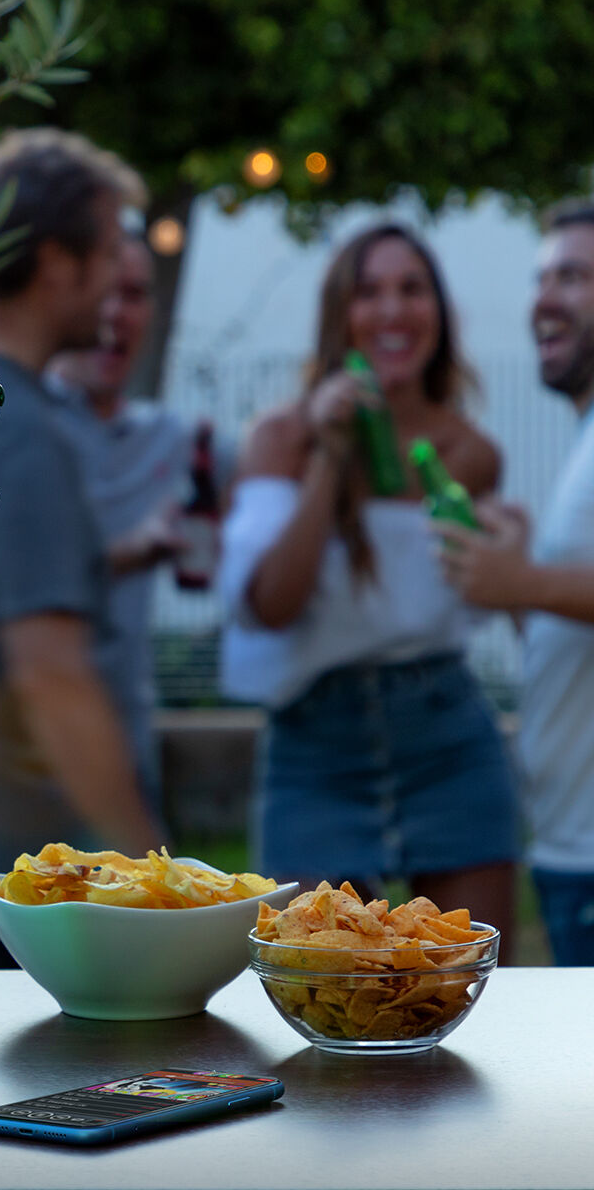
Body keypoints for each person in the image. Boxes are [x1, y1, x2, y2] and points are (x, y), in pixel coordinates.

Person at [0, 130, 169, 967]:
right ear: (56, 263)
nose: (121, 274)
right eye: (111, 246)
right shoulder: (16, 432)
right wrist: (158, 884)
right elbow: (53, 678)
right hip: (32, 887)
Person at [218, 222, 519, 950]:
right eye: (369, 291)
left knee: (469, 976)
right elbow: (269, 604)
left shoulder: (471, 453)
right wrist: (330, 454)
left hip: (446, 730)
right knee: (311, 979)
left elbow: (483, 592)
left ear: (439, 312)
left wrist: (511, 548)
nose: (392, 310)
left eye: (412, 289)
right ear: (338, 315)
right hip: (314, 742)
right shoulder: (282, 438)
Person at [436, 201, 594, 964]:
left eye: (574, 277)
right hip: (569, 846)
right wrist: (518, 582)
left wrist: (524, 577)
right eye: (541, 278)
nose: (544, 299)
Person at [44, 228, 189, 808]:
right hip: (21, 748)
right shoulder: (20, 427)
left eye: (132, 294)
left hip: (125, 736)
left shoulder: (170, 438)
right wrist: (134, 550)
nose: (114, 313)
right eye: (102, 292)